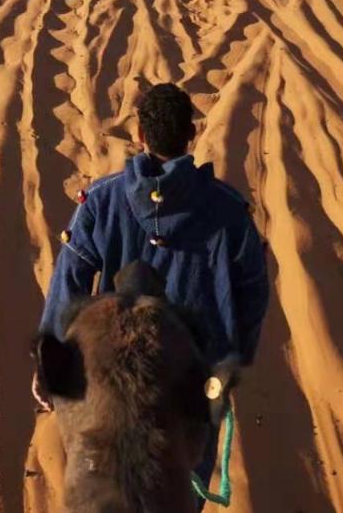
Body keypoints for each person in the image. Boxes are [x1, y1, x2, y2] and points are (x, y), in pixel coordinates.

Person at [35, 82, 269, 500]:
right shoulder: (229, 211)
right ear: (190, 136)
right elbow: (253, 292)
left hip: (112, 379)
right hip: (193, 382)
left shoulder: (101, 201)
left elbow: (69, 278)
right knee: (183, 489)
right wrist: (230, 359)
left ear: (140, 135)